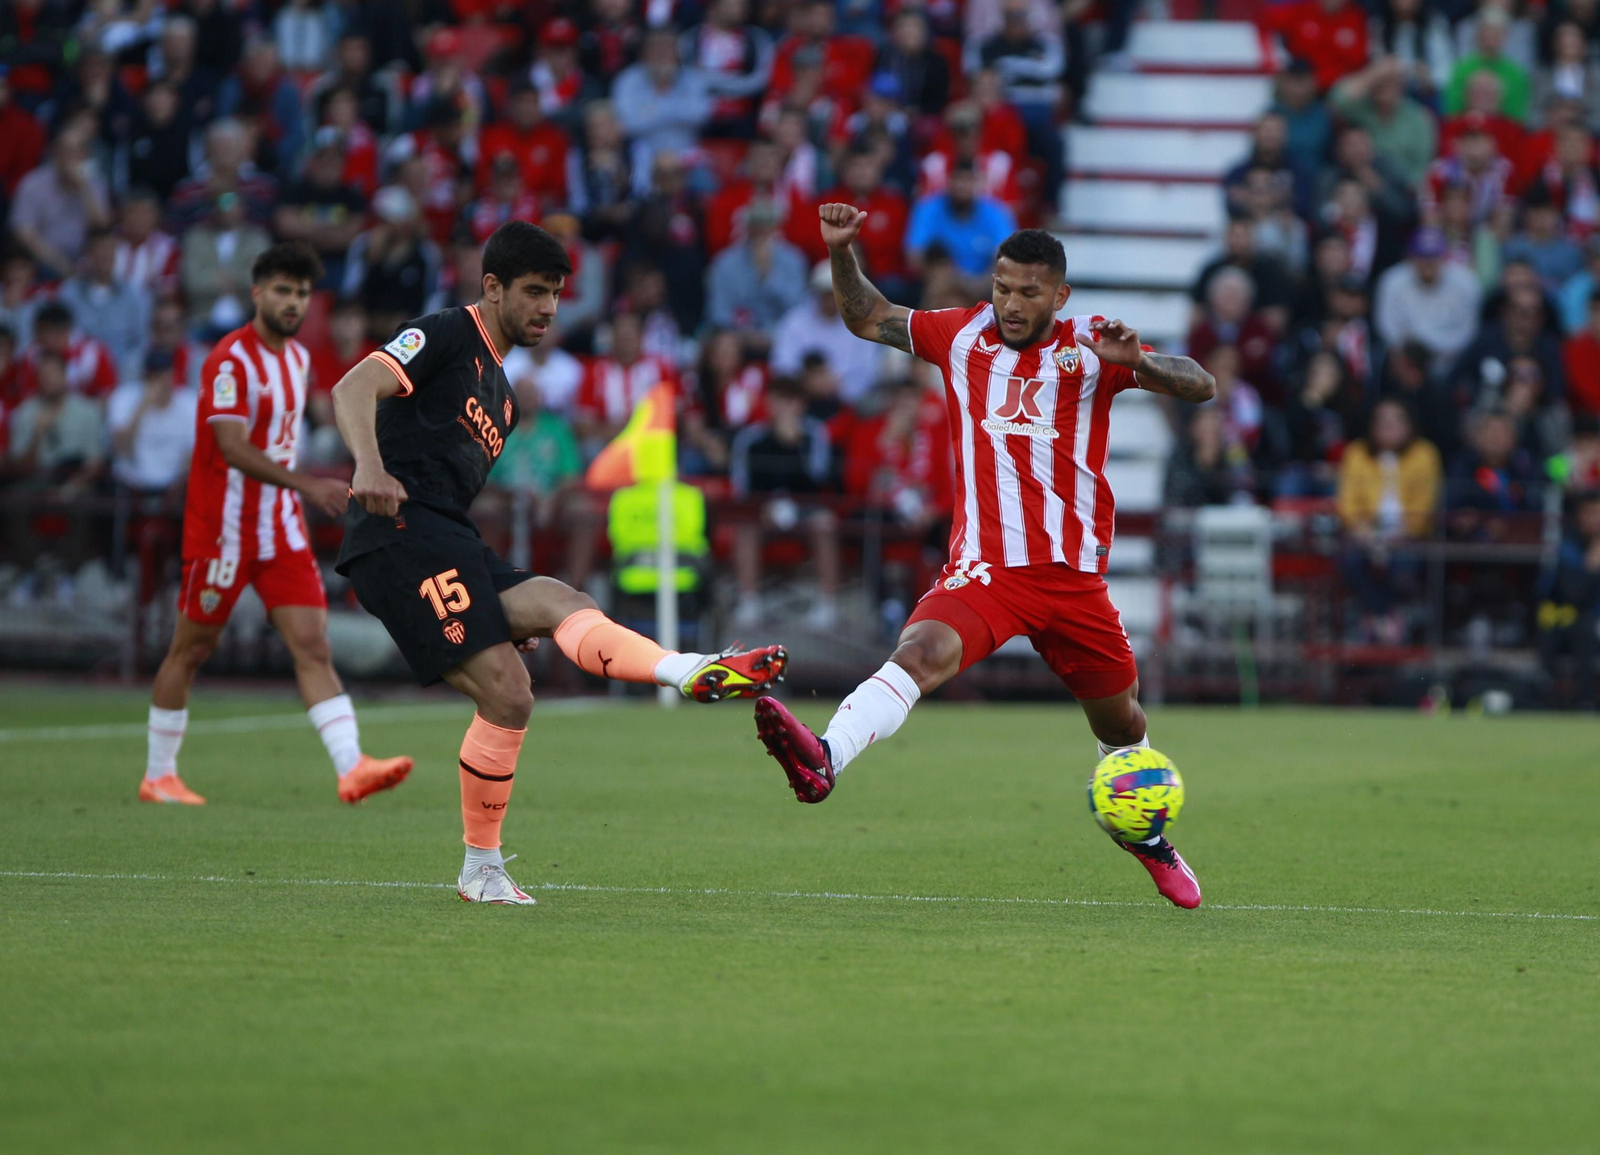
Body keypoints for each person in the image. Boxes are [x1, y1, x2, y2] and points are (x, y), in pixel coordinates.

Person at [754, 205, 1217, 910]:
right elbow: (866, 316)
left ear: (1059, 297)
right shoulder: (959, 333)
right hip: (988, 570)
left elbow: (1202, 383)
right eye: (1002, 286)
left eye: (1028, 291)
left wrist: (1142, 362)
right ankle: (824, 757)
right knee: (919, 652)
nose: (1010, 302)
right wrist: (842, 251)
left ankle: (1143, 835)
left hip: (1071, 580)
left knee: (1121, 724)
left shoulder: (1093, 349)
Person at [329, 222, 788, 905]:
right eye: (535, 292)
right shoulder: (447, 332)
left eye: (557, 295)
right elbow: (351, 387)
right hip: (400, 533)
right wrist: (368, 464)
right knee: (510, 693)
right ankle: (480, 868)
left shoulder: (504, 399)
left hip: (445, 535)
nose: (549, 307)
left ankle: (685, 669)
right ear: (492, 287)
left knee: (557, 599)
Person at [141, 241, 413, 808]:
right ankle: (158, 774)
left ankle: (352, 766)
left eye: (302, 294)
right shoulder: (228, 361)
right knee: (192, 648)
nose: (293, 303)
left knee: (312, 644)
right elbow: (233, 447)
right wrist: (307, 484)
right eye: (284, 291)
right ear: (257, 293)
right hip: (223, 531)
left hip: (280, 531)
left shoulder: (297, 360)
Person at [1336, 399, 1442, 643]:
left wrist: (1401, 534)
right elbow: (1348, 503)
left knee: (1405, 564)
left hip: (1409, 534)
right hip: (1366, 533)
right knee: (1350, 560)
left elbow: (1425, 505)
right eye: (1383, 422)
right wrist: (1364, 532)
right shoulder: (1357, 452)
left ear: (1409, 425)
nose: (1388, 427)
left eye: (1396, 421)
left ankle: (1384, 618)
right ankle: (1383, 616)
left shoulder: (1424, 454)